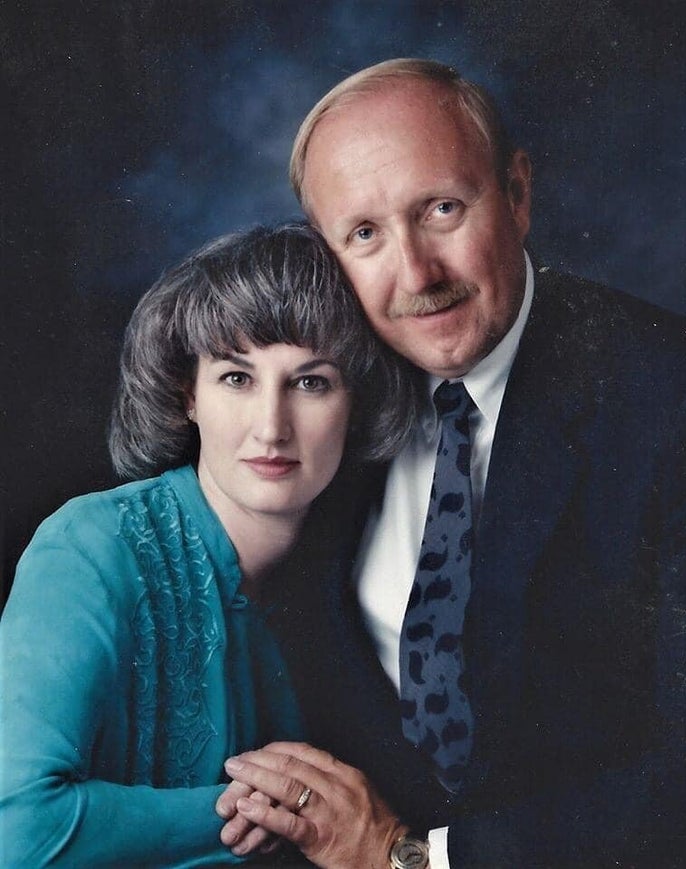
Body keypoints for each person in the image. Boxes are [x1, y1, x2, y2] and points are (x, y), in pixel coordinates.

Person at [217, 59, 686, 867]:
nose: (416, 275)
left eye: (442, 209)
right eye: (366, 234)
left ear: (517, 195)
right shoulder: (323, 401)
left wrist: (408, 856)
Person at [0, 222, 416, 867]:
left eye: (311, 382)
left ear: (356, 403)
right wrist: (276, 813)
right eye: (236, 379)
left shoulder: (350, 571)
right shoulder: (90, 549)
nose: (271, 427)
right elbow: (17, 829)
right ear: (187, 394)